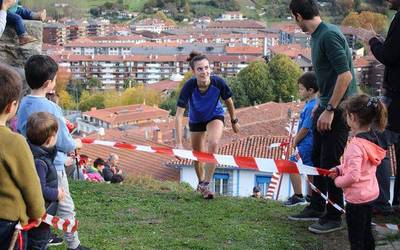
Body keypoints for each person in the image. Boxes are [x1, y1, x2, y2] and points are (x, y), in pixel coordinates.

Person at [288, 0, 357, 234]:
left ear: (298, 16)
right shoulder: (318, 35)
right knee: (318, 158)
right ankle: (317, 206)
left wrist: (330, 109)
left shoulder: (328, 36)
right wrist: (321, 105)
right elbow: (328, 76)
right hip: (326, 106)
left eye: (293, 19)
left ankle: (334, 215)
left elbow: (345, 75)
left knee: (330, 163)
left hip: (337, 111)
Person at [16, 55, 89, 250]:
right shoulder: (51, 109)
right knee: (65, 205)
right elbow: (63, 142)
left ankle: (42, 234)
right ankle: (74, 245)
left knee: (37, 202)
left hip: (30, 161)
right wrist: (77, 143)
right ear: (49, 83)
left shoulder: (23, 104)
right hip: (53, 166)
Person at [175, 51, 240, 199]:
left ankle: (207, 183)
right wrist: (178, 143)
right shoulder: (189, 86)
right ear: (193, 71)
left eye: (206, 68)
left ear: (210, 68)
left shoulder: (218, 82)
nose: (204, 72)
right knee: (198, 155)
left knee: (214, 143)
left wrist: (234, 121)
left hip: (214, 116)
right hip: (196, 119)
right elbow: (179, 115)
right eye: (200, 69)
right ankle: (201, 182)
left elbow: (229, 101)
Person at [328, 95, 387, 250]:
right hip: (370, 195)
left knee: (356, 239)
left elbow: (353, 176)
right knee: (366, 232)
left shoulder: (355, 145)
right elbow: (362, 167)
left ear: (352, 117)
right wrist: (340, 169)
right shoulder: (372, 139)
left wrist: (337, 181)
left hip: (357, 200)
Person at [0, 63, 45, 249]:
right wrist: (38, 213)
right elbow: (30, 185)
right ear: (12, 106)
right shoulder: (14, 142)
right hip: (7, 223)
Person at [368, 0, 400, 212]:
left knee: (376, 143)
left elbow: (389, 56)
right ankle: (397, 203)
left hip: (397, 96)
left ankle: (381, 202)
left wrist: (372, 42)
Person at [26, 112, 66, 249]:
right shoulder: (40, 162)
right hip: (41, 212)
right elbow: (39, 188)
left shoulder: (37, 152)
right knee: (38, 242)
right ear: (49, 140)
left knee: (40, 237)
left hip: (43, 213)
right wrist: (56, 193)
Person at [284, 72, 318, 206]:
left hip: (306, 143)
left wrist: (295, 141)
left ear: (310, 90)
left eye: (301, 89)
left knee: (292, 165)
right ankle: (311, 196)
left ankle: (298, 195)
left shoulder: (310, 107)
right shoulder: (311, 104)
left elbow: (305, 128)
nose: (299, 91)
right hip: (309, 143)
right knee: (310, 170)